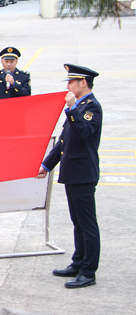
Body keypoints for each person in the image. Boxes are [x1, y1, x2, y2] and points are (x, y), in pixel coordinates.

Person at [37, 64, 102, 289]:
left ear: (83, 82)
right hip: (73, 173)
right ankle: (78, 262)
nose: (68, 86)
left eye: (71, 82)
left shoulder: (91, 106)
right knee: (77, 223)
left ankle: (88, 272)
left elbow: (83, 134)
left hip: (83, 174)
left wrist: (72, 109)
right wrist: (46, 163)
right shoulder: (79, 106)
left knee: (87, 224)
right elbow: (65, 139)